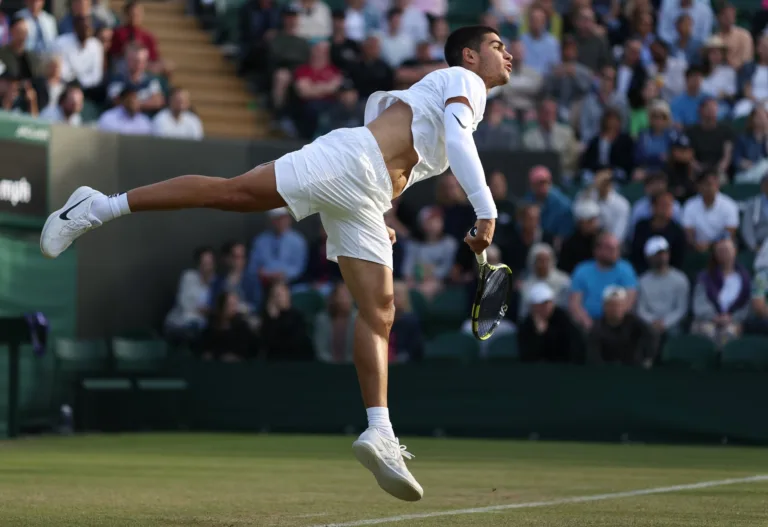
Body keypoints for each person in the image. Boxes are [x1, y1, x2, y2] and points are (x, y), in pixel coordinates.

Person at [40, 25, 513, 502]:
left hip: (367, 197)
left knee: (381, 310)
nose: (508, 53)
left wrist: (380, 210)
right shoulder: (464, 81)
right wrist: (486, 209)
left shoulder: (448, 91)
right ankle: (98, 206)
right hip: (349, 162)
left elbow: (401, 134)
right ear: (469, 56)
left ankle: (380, 432)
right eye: (497, 46)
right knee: (233, 193)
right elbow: (446, 135)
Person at [691, 235, 751, 348]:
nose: (724, 254)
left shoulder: (745, 278)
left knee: (729, 333)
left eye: (727, 250)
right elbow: (699, 304)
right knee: (708, 332)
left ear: (735, 251)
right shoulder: (705, 277)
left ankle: (725, 363)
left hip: (734, 321)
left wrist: (731, 318)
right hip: (708, 320)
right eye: (720, 251)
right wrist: (714, 317)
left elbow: (747, 305)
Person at [635, 236, 690, 348]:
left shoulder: (680, 279)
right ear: (649, 257)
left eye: (664, 253)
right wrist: (653, 322)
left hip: (673, 326)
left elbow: (681, 309)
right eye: (657, 254)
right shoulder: (642, 281)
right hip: (648, 326)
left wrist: (665, 323)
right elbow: (640, 309)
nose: (662, 257)